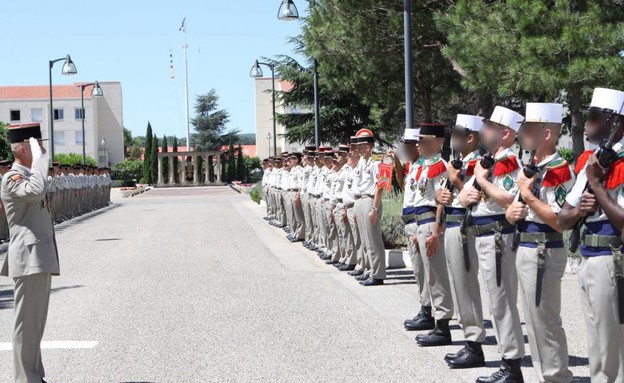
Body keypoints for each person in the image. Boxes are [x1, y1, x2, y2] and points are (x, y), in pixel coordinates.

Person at [558, 87, 624, 383]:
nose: (588, 123)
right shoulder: (593, 160)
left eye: (595, 116)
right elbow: (563, 217)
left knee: (614, 345)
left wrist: (597, 186)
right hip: (587, 257)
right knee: (597, 342)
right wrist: (581, 211)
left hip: (613, 260)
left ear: (616, 122)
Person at [505, 103, 574, 383]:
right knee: (533, 321)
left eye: (529, 128)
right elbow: (514, 209)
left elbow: (560, 221)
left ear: (546, 133)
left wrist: (528, 196)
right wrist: (511, 213)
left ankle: (557, 377)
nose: (522, 134)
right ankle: (545, 376)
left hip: (545, 249)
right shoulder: (531, 168)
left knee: (545, 321)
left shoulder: (558, 169)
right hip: (526, 246)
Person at [458, 106, 525, 383]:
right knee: (496, 300)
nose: (483, 131)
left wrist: (483, 182)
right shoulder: (489, 160)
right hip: (483, 233)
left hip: (498, 235)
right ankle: (507, 361)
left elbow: (509, 199)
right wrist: (467, 193)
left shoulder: (507, 161)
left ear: (505, 133)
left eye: (489, 128)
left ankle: (511, 366)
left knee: (502, 301)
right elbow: (464, 197)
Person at [0, 123, 59, 383]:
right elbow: (36, 191)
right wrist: (39, 162)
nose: (43, 149)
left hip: (39, 257)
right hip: (28, 258)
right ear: (23, 149)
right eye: (37, 145)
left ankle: (34, 376)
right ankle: (25, 379)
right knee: (26, 324)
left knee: (35, 325)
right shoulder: (12, 178)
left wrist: (38, 162)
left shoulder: (29, 175)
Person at [435, 114, 486, 368]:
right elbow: (450, 195)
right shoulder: (458, 162)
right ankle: (469, 341)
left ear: (471, 137)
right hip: (453, 225)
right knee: (459, 286)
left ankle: (475, 345)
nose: (452, 136)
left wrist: (454, 179)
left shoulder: (477, 163)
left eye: (457, 132)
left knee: (466, 287)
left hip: (465, 228)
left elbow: (472, 195)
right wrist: (441, 194)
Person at [402, 123, 454, 347]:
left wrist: (436, 231)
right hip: (420, 222)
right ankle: (429, 314)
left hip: (431, 223)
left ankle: (442, 326)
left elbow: (441, 201)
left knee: (437, 276)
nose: (418, 145)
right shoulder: (423, 166)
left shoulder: (439, 166)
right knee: (426, 274)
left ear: (437, 142)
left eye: (423, 141)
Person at [391, 128, 434, 332]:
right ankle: (425, 308)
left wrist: (418, 228)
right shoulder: (414, 167)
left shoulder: (426, 166)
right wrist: (397, 165)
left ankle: (429, 312)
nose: (407, 149)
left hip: (419, 222)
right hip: (411, 222)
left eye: (410, 145)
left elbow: (424, 200)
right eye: (406, 145)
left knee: (426, 271)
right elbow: (402, 185)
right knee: (419, 270)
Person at [353, 129, 386, 286]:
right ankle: (369, 270)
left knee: (373, 240)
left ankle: (378, 274)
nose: (357, 149)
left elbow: (379, 186)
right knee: (365, 239)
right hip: (361, 200)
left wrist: (375, 208)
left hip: (370, 201)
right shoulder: (362, 162)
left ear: (368, 146)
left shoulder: (376, 162)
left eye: (360, 146)